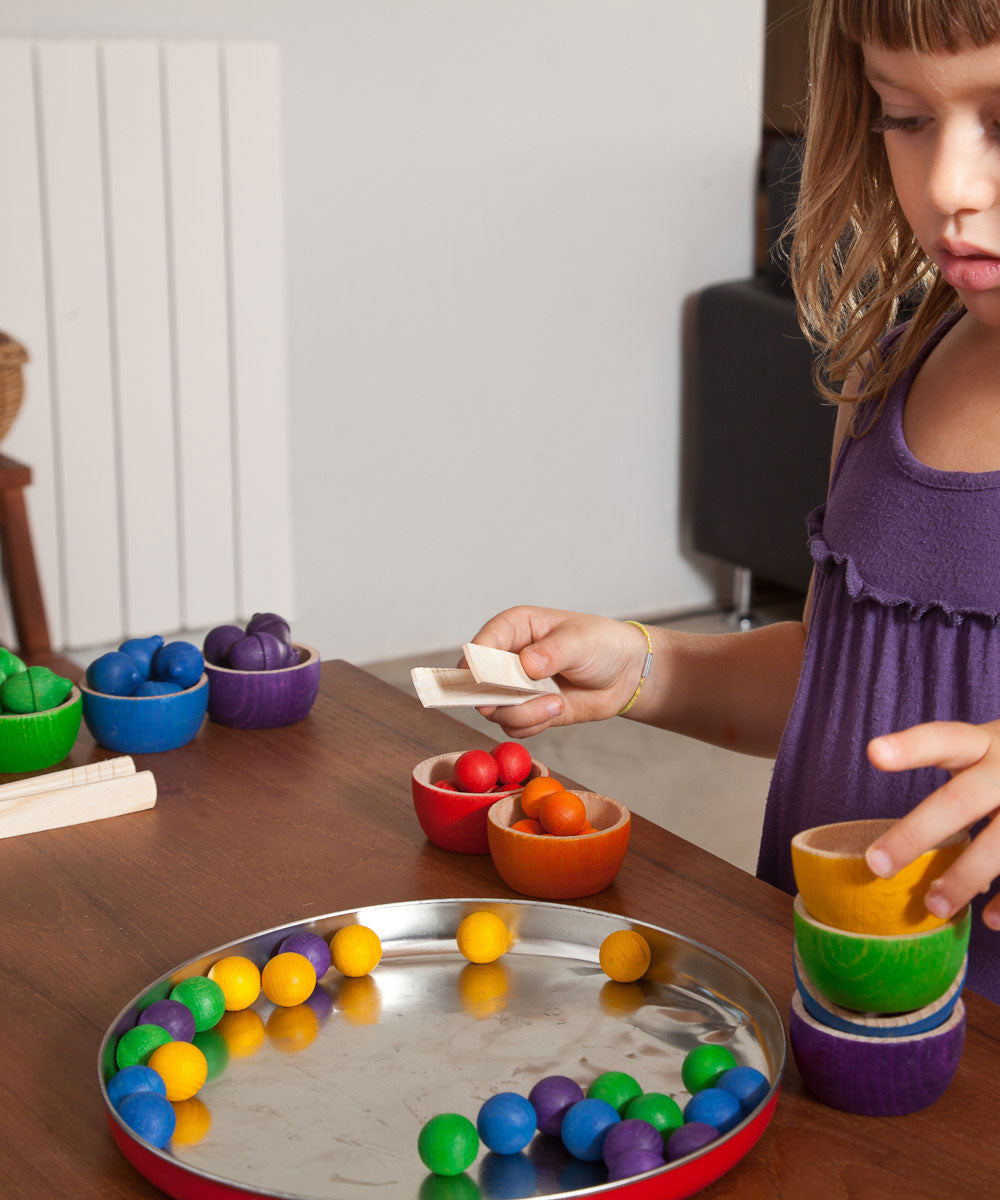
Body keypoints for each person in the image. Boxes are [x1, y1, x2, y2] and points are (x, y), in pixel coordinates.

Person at [468, 0, 1000, 1003]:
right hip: (817, 1001)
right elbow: (848, 676)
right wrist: (648, 669)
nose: (947, 187)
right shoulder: (889, 379)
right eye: (905, 116)